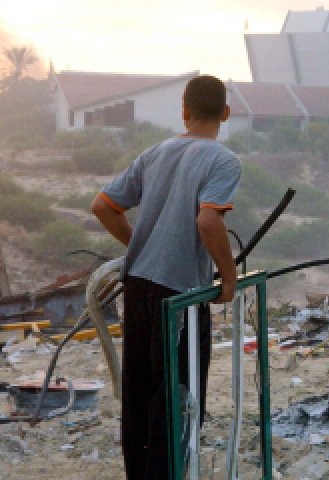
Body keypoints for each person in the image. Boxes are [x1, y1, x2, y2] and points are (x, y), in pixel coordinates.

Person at [91, 74, 241, 479]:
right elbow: (209, 220)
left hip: (137, 284)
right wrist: (228, 279)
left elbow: (103, 206)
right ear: (226, 113)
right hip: (180, 296)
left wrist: (142, 244)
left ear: (184, 110)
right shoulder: (222, 160)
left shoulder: (156, 153)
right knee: (178, 397)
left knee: (139, 396)